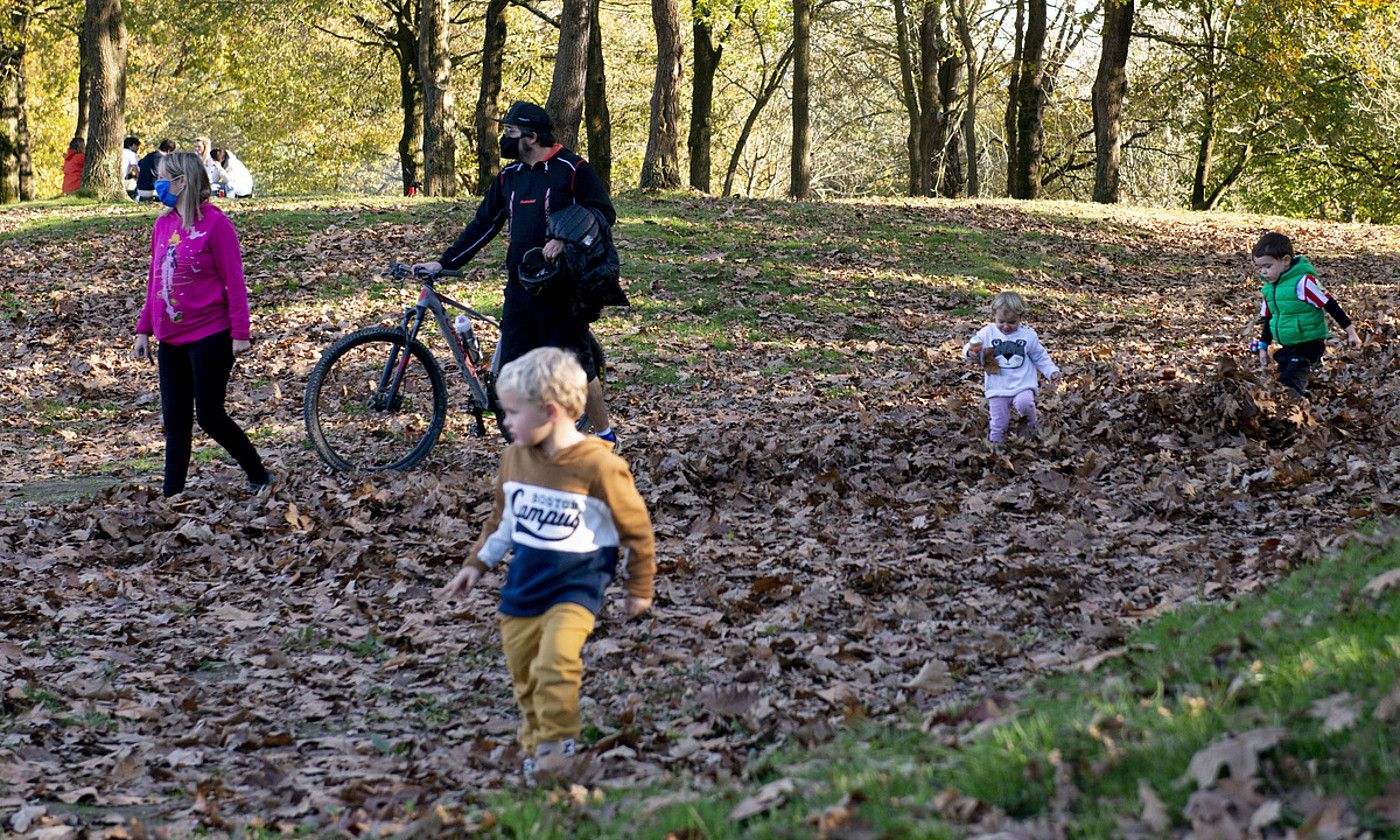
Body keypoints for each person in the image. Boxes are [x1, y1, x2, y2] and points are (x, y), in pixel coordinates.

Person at [436, 347, 655, 783]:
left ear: (551, 412)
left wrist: (639, 588)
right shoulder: (515, 458)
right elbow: (503, 521)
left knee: (555, 664)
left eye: (514, 412)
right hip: (523, 588)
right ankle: (537, 740)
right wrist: (476, 565)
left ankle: (558, 745)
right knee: (524, 671)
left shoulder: (599, 466)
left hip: (575, 587)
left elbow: (636, 529)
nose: (506, 422)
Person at [414, 101, 621, 446]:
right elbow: (484, 224)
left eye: (510, 131)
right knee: (510, 375)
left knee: (578, 370)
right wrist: (445, 262)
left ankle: (605, 435)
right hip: (520, 292)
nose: (504, 137)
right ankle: (525, 450)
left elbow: (602, 213)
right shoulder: (509, 177)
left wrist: (562, 237)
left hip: (563, 291)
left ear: (531, 136)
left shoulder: (573, 169)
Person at [131, 151, 272, 497]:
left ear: (183, 181)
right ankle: (171, 496)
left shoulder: (216, 224)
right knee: (175, 422)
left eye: (164, 177)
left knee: (209, 415)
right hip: (170, 339)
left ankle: (258, 474)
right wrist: (143, 328)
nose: (158, 184)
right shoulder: (163, 224)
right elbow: (155, 280)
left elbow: (234, 282)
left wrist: (241, 332)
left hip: (210, 334)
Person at [1252, 231, 1361, 397]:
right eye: (1260, 267)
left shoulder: (1304, 282)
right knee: (1281, 379)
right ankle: (1292, 402)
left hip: (1310, 343)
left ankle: (1291, 407)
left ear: (1286, 261)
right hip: (1288, 345)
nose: (1263, 272)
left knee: (1292, 379)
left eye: (1268, 266)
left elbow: (1330, 305)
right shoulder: (1268, 289)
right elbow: (1269, 319)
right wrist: (1263, 347)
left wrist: (1351, 333)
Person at [962, 291, 1063, 443]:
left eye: (1012, 322)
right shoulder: (987, 333)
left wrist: (1052, 371)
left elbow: (1040, 356)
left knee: (1025, 404)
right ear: (994, 315)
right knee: (999, 421)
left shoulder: (1027, 335)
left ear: (1020, 318)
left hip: (1023, 384)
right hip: (997, 386)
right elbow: (970, 346)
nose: (1006, 326)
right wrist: (970, 354)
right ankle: (996, 446)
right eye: (1001, 321)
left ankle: (1031, 428)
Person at [136, 139, 176, 203]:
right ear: (168, 151)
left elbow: (139, 164)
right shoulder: (162, 159)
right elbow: (159, 174)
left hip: (140, 188)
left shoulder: (149, 155)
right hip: (151, 190)